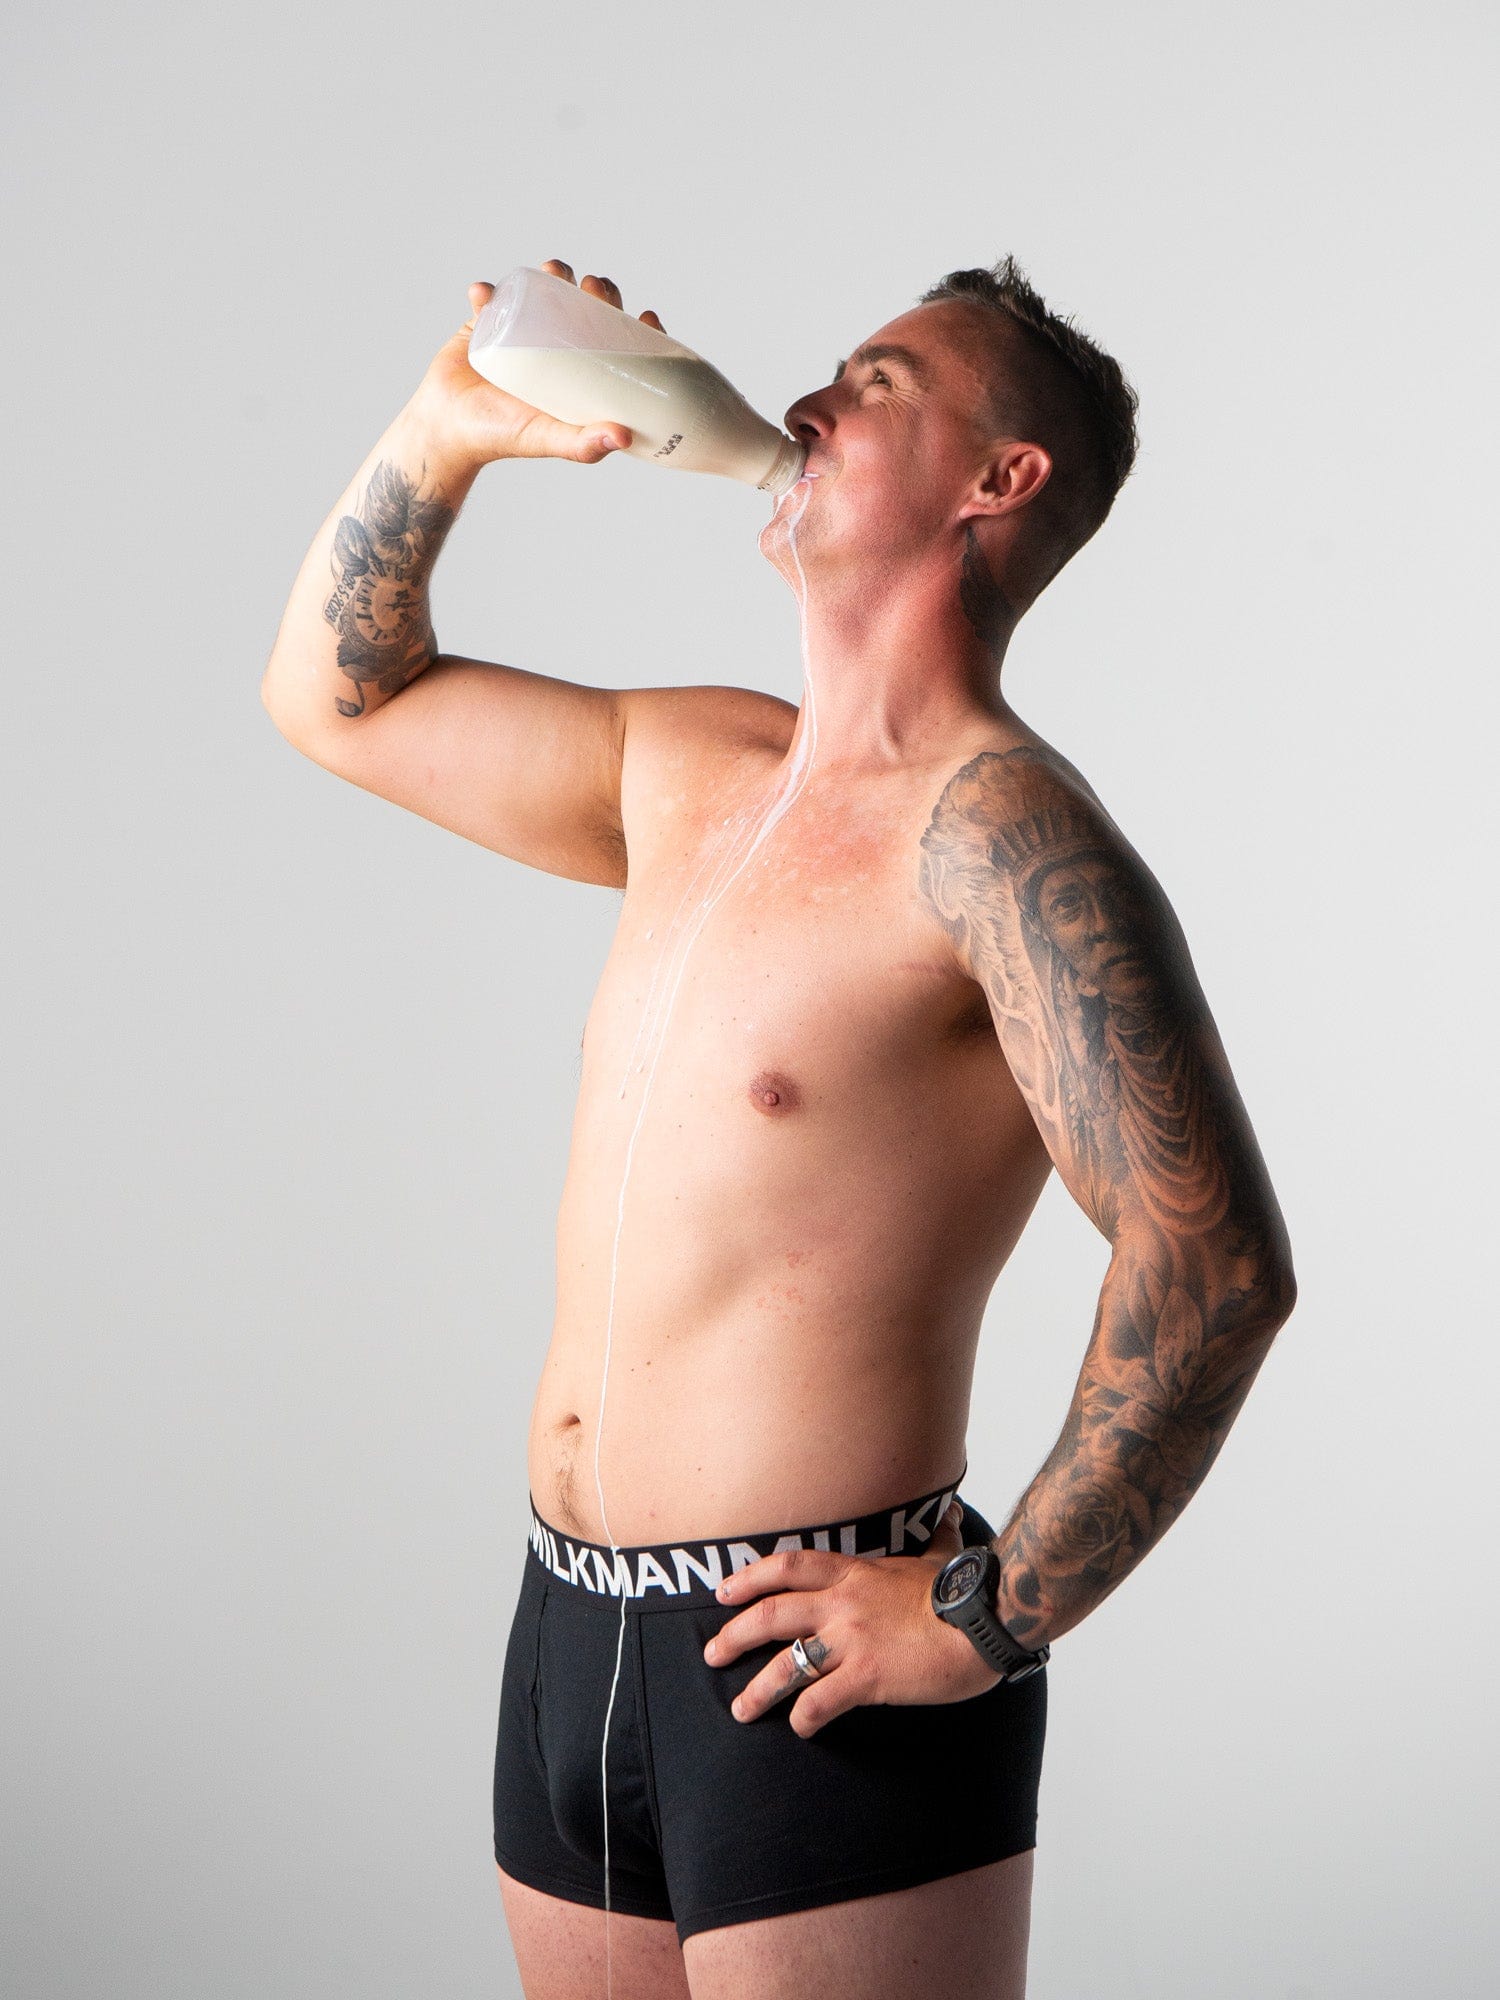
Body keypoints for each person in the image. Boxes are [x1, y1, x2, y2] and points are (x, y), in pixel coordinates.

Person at [261, 253, 1297, 2000]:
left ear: (1000, 480)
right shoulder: (691, 773)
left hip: (816, 1669)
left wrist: (985, 1619)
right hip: (566, 1629)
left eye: (879, 384)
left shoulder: (1003, 844)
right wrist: (448, 432)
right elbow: (339, 700)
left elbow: (1215, 1262)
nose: (810, 404)